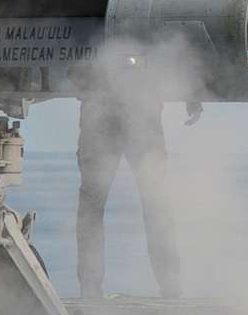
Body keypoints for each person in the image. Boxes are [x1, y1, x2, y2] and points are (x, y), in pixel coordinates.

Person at [74, 69, 200, 300]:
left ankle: (90, 287)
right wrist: (193, 95)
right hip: (133, 112)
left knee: (95, 205)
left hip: (109, 111)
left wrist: (193, 95)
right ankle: (170, 286)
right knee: (155, 204)